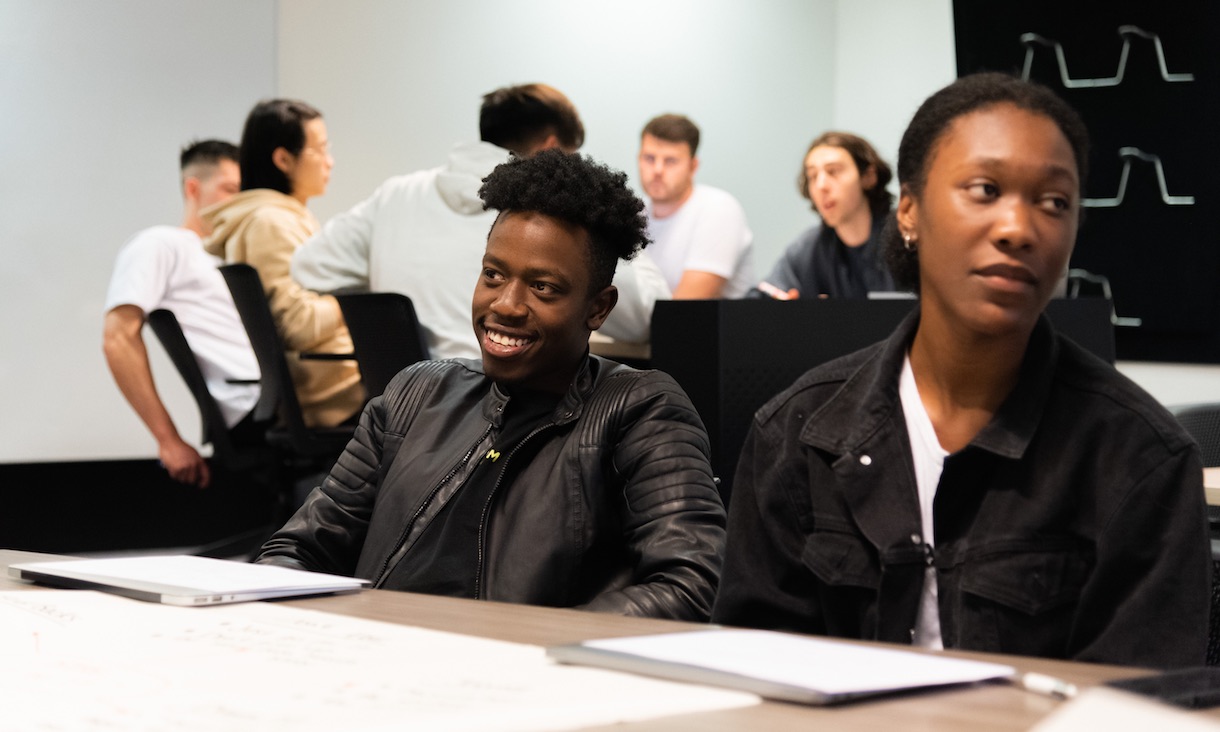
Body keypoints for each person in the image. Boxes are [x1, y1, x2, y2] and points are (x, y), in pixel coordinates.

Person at [712, 73, 1210, 667]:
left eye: (1055, 203)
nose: (1018, 229)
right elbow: (755, 677)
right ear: (910, 212)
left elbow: (1136, 710)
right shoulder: (797, 434)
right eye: (984, 189)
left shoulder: (1140, 460)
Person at [257, 150, 726, 620]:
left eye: (543, 287)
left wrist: (521, 649)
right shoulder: (414, 396)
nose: (506, 304)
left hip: (521, 676)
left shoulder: (640, 412)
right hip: (377, 659)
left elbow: (688, 586)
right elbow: (299, 550)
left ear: (598, 308)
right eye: (493, 275)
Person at [290, 83, 671, 360]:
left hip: (405, 408)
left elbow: (309, 266)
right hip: (503, 409)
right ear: (552, 149)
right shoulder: (560, 217)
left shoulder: (396, 194)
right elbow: (647, 318)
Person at [103, 140, 258, 488]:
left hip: (279, 398)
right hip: (254, 405)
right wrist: (168, 439)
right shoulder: (161, 244)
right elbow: (118, 338)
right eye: (230, 189)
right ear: (193, 188)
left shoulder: (236, 257)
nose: (239, 202)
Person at [203, 99, 364, 428]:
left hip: (329, 380)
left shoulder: (278, 217)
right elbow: (299, 325)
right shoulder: (271, 223)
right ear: (283, 159)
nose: (329, 162)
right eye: (320, 150)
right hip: (332, 392)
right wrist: (362, 291)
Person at [754, 131, 896, 300]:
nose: (821, 186)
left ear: (868, 177)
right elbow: (763, 296)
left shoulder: (907, 237)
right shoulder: (807, 248)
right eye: (812, 176)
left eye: (833, 172)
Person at [637, 113, 755, 299]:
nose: (657, 170)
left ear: (693, 167)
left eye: (670, 161)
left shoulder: (718, 210)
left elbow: (684, 312)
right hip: (650, 327)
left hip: (703, 327)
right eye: (649, 158)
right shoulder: (634, 213)